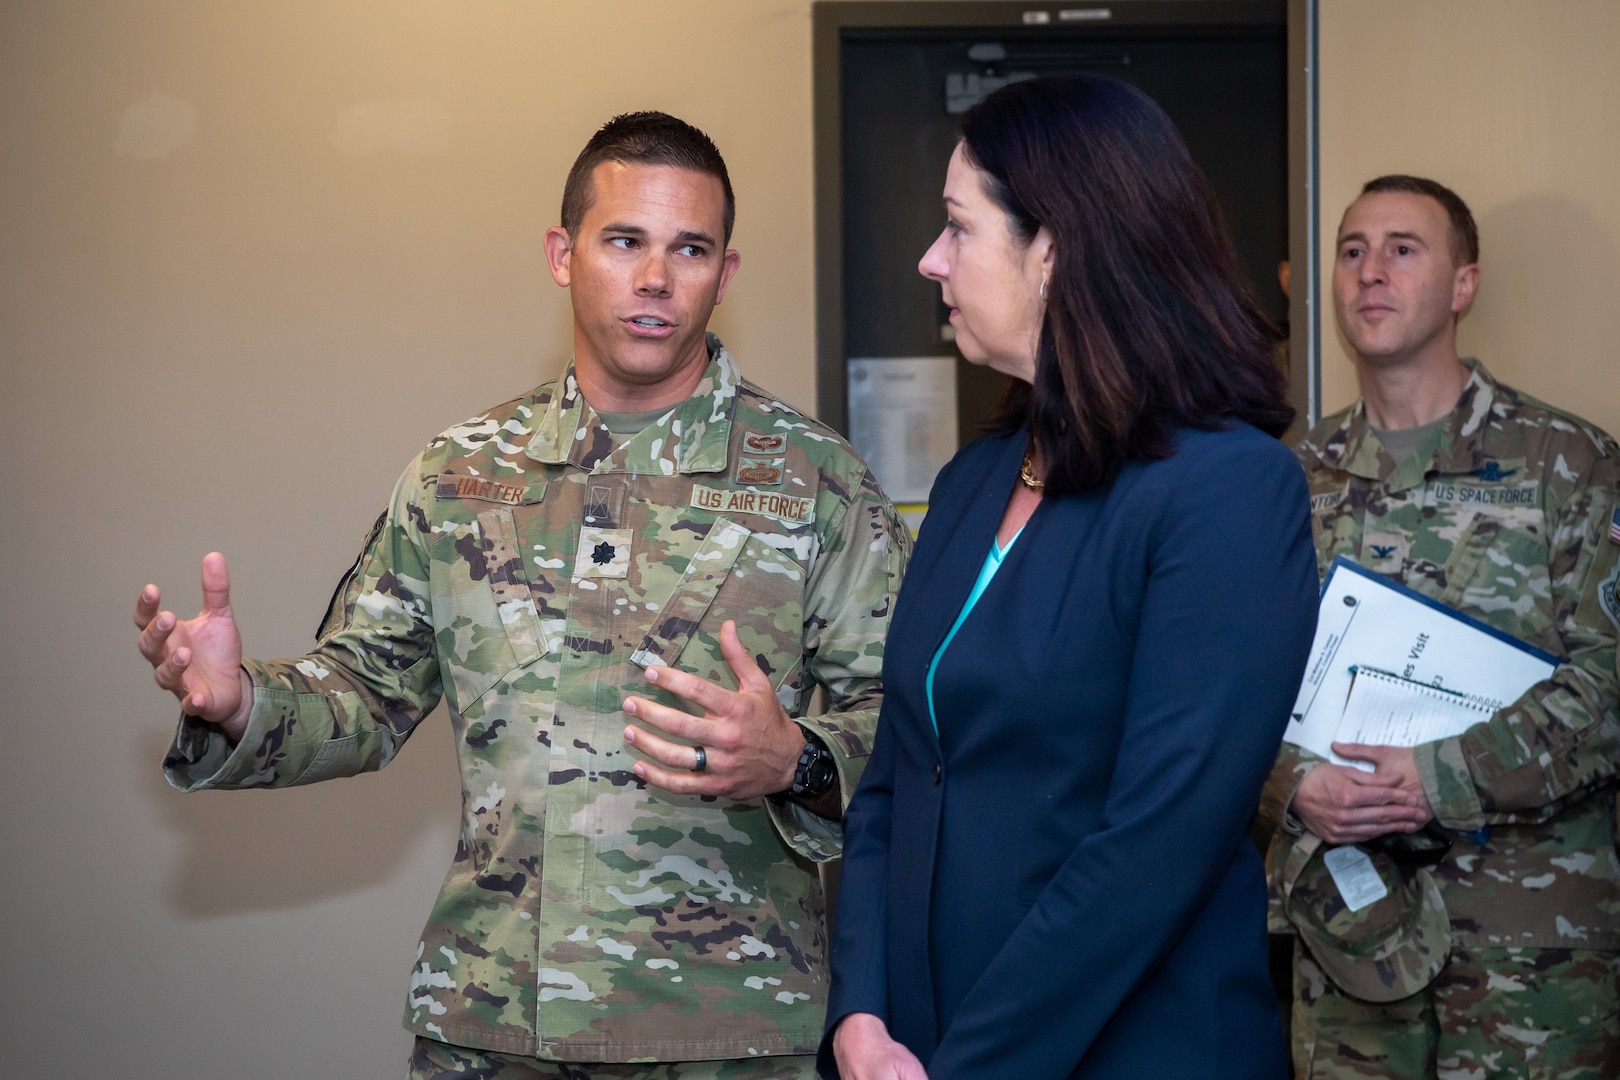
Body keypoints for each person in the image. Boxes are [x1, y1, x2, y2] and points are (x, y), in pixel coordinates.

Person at [134, 111, 911, 1079]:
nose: (657, 280)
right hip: (491, 1030)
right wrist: (240, 702)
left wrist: (799, 757)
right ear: (563, 252)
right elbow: (365, 697)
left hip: (729, 1039)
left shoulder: (814, 482)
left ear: (727, 272)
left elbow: (922, 729)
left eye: (691, 249)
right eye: (625, 241)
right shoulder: (459, 478)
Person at [821, 75, 1320, 1080]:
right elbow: (892, 780)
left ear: (1055, 248)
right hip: (909, 1048)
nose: (931, 259)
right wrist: (861, 1017)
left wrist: (965, 1068)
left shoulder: (1228, 490)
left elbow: (1157, 844)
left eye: (958, 228)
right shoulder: (971, 481)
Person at [1259, 175, 1620, 1078]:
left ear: (1464, 285)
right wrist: (1291, 783)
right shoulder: (1281, 482)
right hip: (1348, 946)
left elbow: (1610, 684)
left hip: (1534, 954)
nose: (1370, 272)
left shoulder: (1568, 464)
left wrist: (1436, 778)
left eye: (1402, 249)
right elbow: (1220, 692)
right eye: (1352, 251)